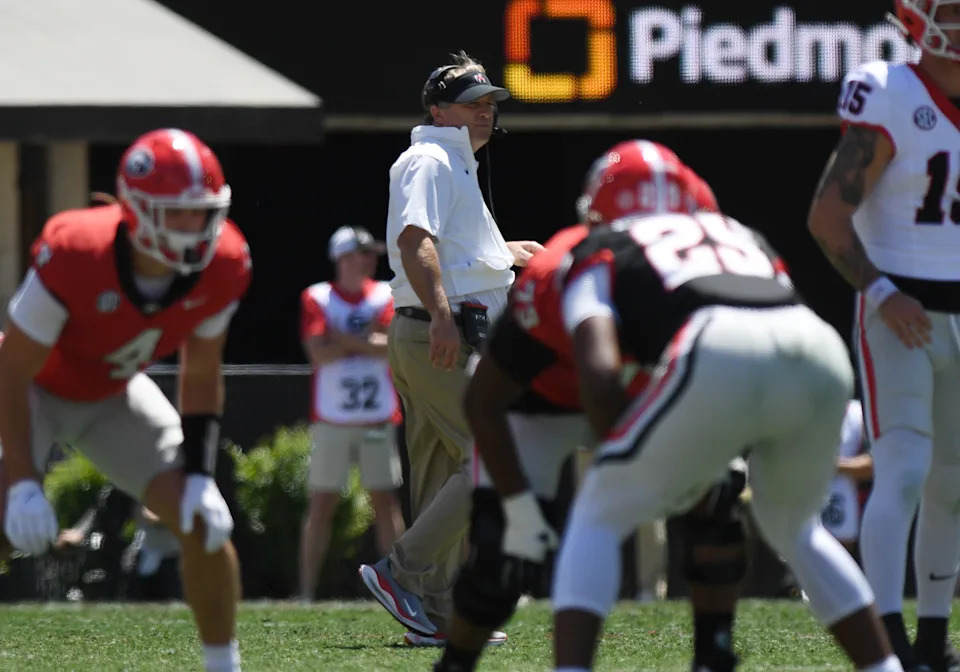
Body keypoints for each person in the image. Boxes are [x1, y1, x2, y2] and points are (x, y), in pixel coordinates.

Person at [544, 190, 904, 669]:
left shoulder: (605, 244)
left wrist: (626, 458)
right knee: (796, 528)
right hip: (816, 343)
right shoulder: (737, 233)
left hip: (717, 345)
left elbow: (601, 369)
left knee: (598, 507)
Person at [434, 140, 751, 672]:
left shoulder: (704, 271)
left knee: (718, 501)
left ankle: (713, 651)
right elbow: (485, 399)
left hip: (627, 401)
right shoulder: (565, 268)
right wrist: (516, 510)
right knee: (504, 557)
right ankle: (457, 662)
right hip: (538, 404)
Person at [0, 128, 251, 672]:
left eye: (202, 212)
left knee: (202, 522)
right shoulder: (75, 250)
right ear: (136, 210)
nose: (194, 228)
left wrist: (200, 473)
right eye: (177, 213)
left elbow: (202, 367)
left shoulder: (225, 260)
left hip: (111, 391)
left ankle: (222, 666)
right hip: (32, 389)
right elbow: (12, 368)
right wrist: (21, 481)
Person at [359, 50, 544, 645]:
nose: (485, 112)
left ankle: (435, 615)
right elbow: (415, 243)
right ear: (438, 109)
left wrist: (501, 253)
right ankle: (401, 572)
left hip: (429, 330)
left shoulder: (451, 161)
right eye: (472, 103)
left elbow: (447, 245)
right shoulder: (431, 158)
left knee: (443, 471)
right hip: (436, 331)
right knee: (494, 457)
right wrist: (441, 316)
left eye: (489, 103)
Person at [807, 2, 960, 669]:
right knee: (899, 471)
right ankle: (885, 637)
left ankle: (932, 637)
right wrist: (883, 292)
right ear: (922, 22)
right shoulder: (891, 93)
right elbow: (826, 217)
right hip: (901, 306)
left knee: (953, 484)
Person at [298, 225, 405, 602]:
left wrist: (340, 339)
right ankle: (307, 593)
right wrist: (364, 341)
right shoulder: (318, 297)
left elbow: (391, 345)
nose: (371, 260)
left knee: (385, 503)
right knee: (321, 504)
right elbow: (317, 352)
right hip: (333, 417)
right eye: (363, 253)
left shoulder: (384, 294)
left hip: (376, 415)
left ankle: (401, 589)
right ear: (342, 257)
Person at [821, 400, 873, 556]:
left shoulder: (859, 414)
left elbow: (874, 465)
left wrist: (835, 466)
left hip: (844, 515)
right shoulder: (799, 409)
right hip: (803, 511)